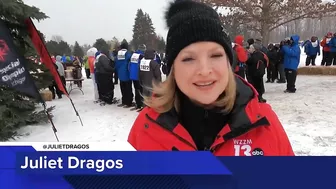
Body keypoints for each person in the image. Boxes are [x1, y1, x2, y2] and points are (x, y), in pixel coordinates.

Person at [128, 0, 294, 156]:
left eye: (215, 55)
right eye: (188, 59)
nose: (205, 70)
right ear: (173, 69)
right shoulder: (147, 127)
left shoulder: (264, 123)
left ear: (228, 63)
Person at [115, 42, 133, 108]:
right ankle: (129, 102)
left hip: (120, 74)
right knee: (128, 88)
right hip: (127, 74)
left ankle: (124, 101)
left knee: (123, 88)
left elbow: (116, 64)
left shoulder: (118, 55)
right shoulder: (128, 54)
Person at [130, 44, 146, 111]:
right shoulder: (142, 56)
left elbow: (129, 65)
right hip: (139, 76)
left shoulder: (133, 55)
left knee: (136, 89)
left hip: (133, 75)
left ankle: (138, 104)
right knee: (141, 90)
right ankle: (142, 105)